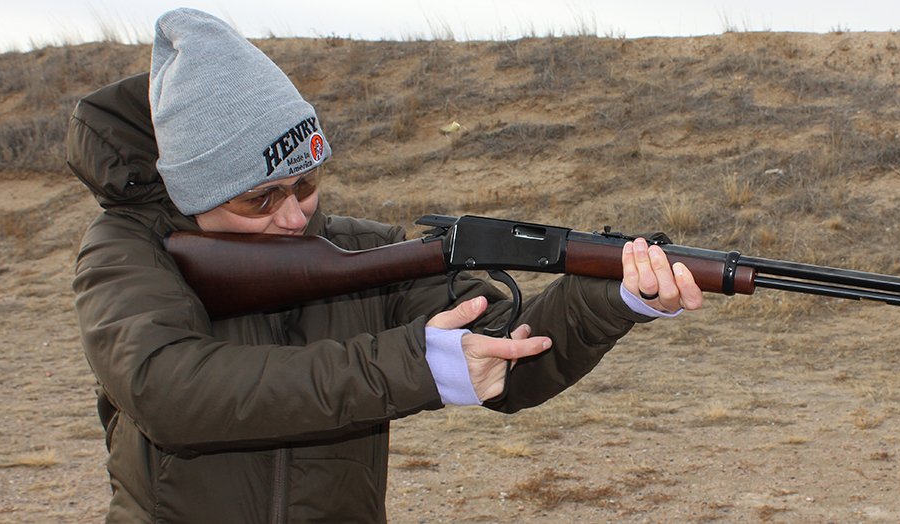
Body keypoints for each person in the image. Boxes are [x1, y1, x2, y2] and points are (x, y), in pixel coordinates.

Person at [68, 8, 702, 523]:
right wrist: (416, 364)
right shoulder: (127, 251)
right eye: (259, 198)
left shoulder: (360, 250)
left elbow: (511, 356)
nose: (294, 216)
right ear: (191, 194)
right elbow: (170, 391)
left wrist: (615, 297)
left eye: (306, 183)